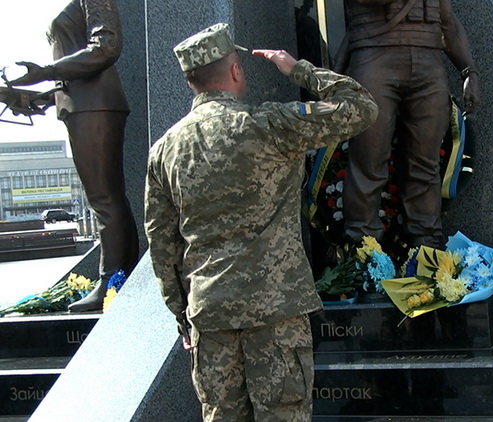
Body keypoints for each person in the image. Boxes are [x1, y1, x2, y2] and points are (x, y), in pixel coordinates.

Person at [144, 23, 377, 421]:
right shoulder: (268, 125)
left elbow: (161, 244)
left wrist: (183, 316)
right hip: (275, 312)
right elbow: (361, 107)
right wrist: (297, 69)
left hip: (210, 317)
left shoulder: (164, 150)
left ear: (190, 81)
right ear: (236, 70)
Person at [8, 0, 140, 312]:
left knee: (104, 200)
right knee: (106, 199)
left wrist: (46, 72)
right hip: (83, 105)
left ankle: (111, 280)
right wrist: (35, 98)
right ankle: (119, 279)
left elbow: (106, 47)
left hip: (94, 106)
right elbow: (73, 78)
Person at [335, 0, 480, 249]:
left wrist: (469, 72)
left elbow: (447, 21)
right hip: (374, 56)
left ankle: (426, 247)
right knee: (369, 160)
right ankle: (362, 250)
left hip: (429, 63)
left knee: (425, 164)